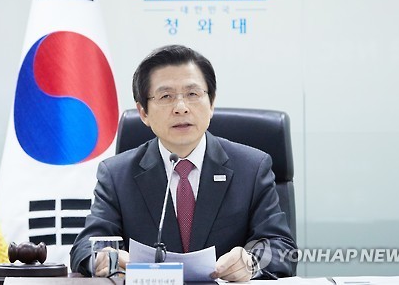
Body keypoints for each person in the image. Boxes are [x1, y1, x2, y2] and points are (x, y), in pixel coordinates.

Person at [70, 45, 297, 280]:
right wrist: (105, 259)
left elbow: (280, 246)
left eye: (193, 94)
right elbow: (84, 248)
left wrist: (251, 263)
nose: (181, 108)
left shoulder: (252, 168)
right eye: (166, 96)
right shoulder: (117, 174)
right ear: (143, 113)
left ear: (211, 104)